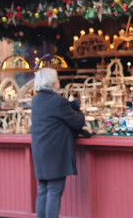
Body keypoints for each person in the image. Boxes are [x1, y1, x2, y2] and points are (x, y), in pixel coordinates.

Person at [31, 68, 86, 218]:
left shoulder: (36, 100)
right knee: (54, 191)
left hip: (40, 150)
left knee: (43, 189)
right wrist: (77, 108)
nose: (58, 81)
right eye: (57, 79)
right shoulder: (58, 101)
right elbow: (78, 122)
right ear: (52, 83)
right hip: (55, 153)